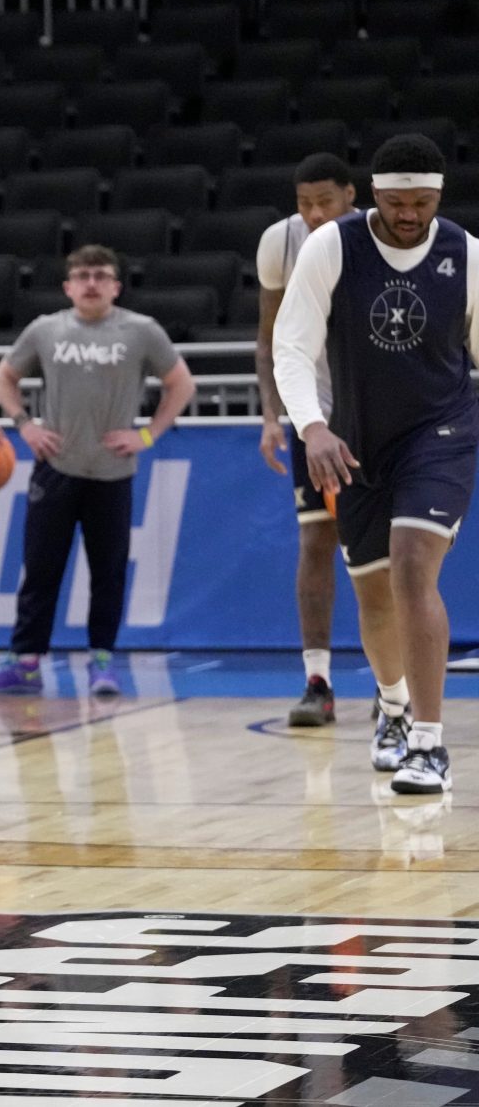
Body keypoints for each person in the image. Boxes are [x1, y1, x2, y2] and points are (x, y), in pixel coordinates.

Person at [274, 134, 478, 797]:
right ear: (375, 196)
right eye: (398, 202)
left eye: (423, 202)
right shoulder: (333, 247)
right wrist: (311, 427)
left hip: (441, 430)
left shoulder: (467, 256)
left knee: (415, 566)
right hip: (356, 439)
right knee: (372, 590)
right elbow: (292, 346)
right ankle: (391, 711)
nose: (410, 213)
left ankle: (428, 743)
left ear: (438, 198)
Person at [0, 245, 196, 698]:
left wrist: (147, 435)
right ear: (68, 286)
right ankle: (26, 663)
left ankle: (102, 664)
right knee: (40, 570)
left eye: (101, 275)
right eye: (82, 275)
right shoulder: (46, 329)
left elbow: (181, 384)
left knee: (107, 573)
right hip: (56, 467)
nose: (91, 283)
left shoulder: (141, 330)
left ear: (116, 285)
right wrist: (25, 425)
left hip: (112, 472)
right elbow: (2, 378)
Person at [255, 154, 358, 727]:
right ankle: (317, 681)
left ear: (351, 196)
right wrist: (274, 416)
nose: (315, 213)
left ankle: (393, 684)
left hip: (374, 417)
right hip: (310, 418)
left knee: (389, 554)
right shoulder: (281, 243)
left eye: (325, 201)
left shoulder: (372, 238)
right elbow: (268, 341)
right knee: (316, 542)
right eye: (304, 203)